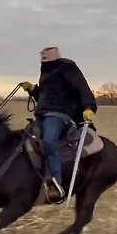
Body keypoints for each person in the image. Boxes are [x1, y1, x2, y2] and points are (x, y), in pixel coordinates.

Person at [21, 46, 97, 203]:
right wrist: (33, 89)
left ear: (53, 54)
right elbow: (47, 94)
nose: (42, 56)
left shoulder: (67, 66)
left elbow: (82, 86)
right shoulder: (46, 70)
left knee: (49, 141)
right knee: (27, 142)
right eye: (41, 54)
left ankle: (55, 182)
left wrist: (89, 107)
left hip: (59, 114)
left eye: (45, 54)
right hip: (42, 113)